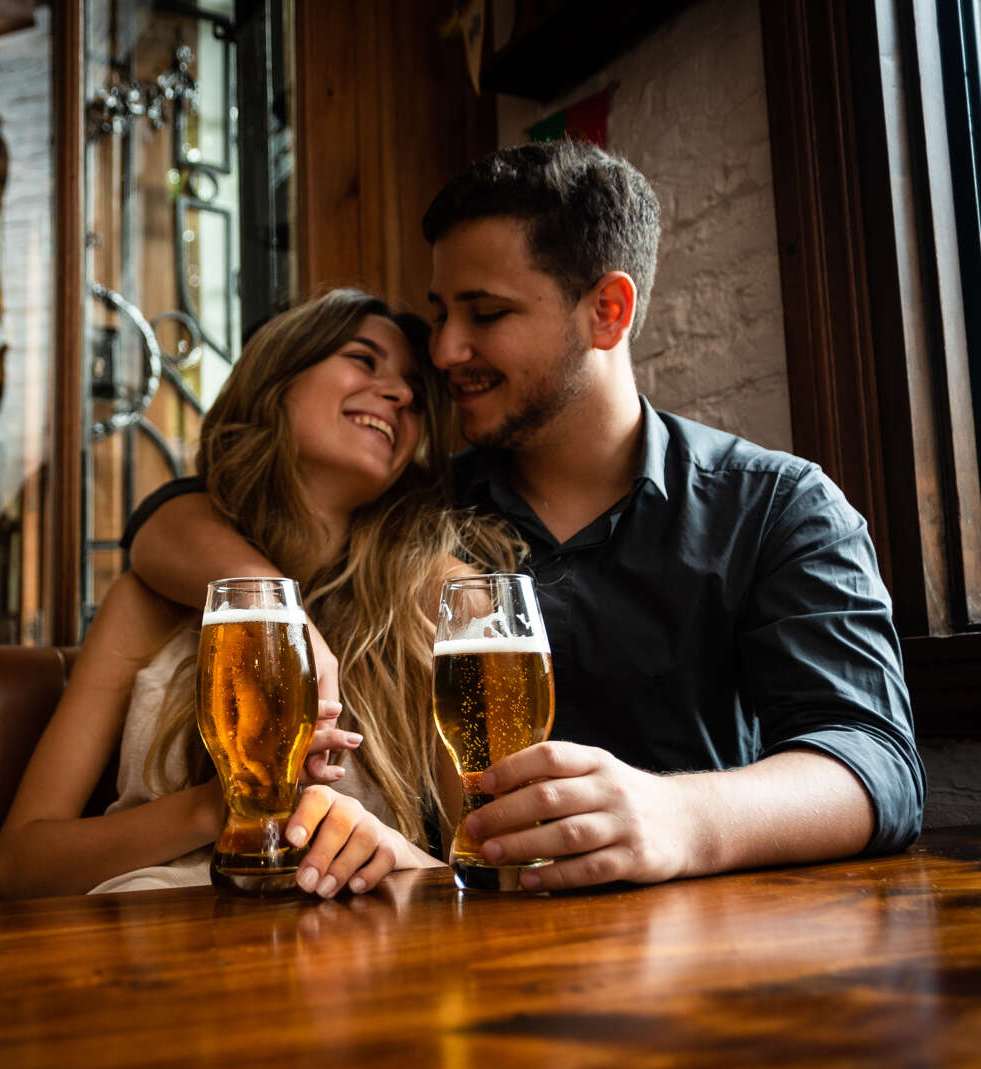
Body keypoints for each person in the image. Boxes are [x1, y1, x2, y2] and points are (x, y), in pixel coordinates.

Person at [126, 140, 926, 893]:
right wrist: (273, 598)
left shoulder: (774, 506)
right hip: (465, 938)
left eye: (486, 313)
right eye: (442, 312)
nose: (443, 350)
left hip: (704, 942)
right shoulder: (416, 509)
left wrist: (678, 818)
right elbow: (172, 515)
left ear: (606, 312)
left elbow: (876, 763)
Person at [0, 289, 523, 899]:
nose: (399, 394)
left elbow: (494, 867)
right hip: (152, 950)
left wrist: (400, 854)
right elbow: (18, 867)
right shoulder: (150, 601)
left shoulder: (446, 602)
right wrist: (221, 808)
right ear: (278, 380)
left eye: (415, 394)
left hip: (358, 959)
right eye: (363, 359)